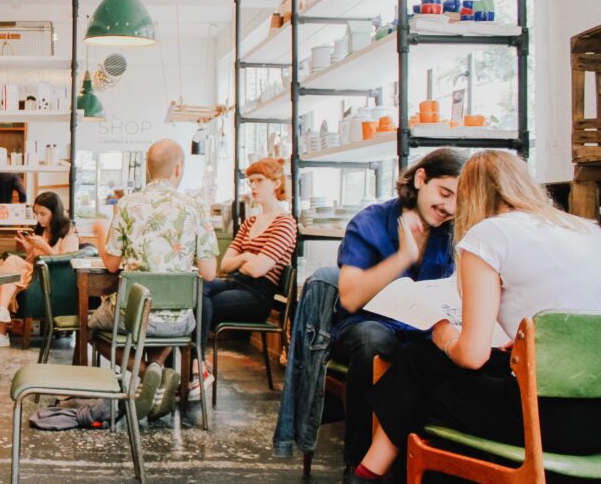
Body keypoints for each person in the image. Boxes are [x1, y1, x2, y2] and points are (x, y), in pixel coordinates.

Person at [348, 151, 601, 483]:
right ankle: (367, 472)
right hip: (594, 420)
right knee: (423, 363)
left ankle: (367, 472)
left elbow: (471, 356)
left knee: (426, 380)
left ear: (470, 196)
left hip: (542, 421)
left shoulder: (489, 235)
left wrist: (444, 334)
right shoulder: (586, 229)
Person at [318, 147, 466, 471]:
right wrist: (403, 258)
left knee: (456, 351)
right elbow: (350, 298)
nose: (450, 208)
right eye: (444, 193)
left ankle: (426, 466)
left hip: (424, 331)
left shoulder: (453, 231)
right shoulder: (370, 222)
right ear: (421, 178)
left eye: (459, 200)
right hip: (364, 327)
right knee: (375, 340)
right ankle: (357, 464)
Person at [90, 139, 219, 417]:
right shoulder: (196, 208)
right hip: (180, 320)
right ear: (178, 169)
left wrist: (100, 234)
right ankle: (157, 370)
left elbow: (111, 265)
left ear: (148, 169)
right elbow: (209, 272)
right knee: (165, 318)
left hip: (135, 316)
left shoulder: (127, 205)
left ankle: (147, 372)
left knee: (90, 327)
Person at [199, 158, 297, 383]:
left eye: (259, 181)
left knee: (200, 303)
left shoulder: (285, 223)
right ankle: (195, 365)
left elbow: (258, 270)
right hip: (235, 282)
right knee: (196, 288)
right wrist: (245, 257)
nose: (253, 186)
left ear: (276, 183)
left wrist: (246, 261)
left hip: (257, 295)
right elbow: (225, 264)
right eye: (250, 181)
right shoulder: (250, 222)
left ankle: (196, 364)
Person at [0, 192, 80, 349]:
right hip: (36, 274)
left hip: (53, 279)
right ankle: (1, 322)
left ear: (55, 212)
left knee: (10, 268)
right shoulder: (42, 230)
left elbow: (66, 263)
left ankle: (1, 330)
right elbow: (33, 260)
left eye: (43, 214)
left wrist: (44, 246)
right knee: (10, 266)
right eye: (36, 214)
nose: (38, 219)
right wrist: (28, 248)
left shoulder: (68, 232)